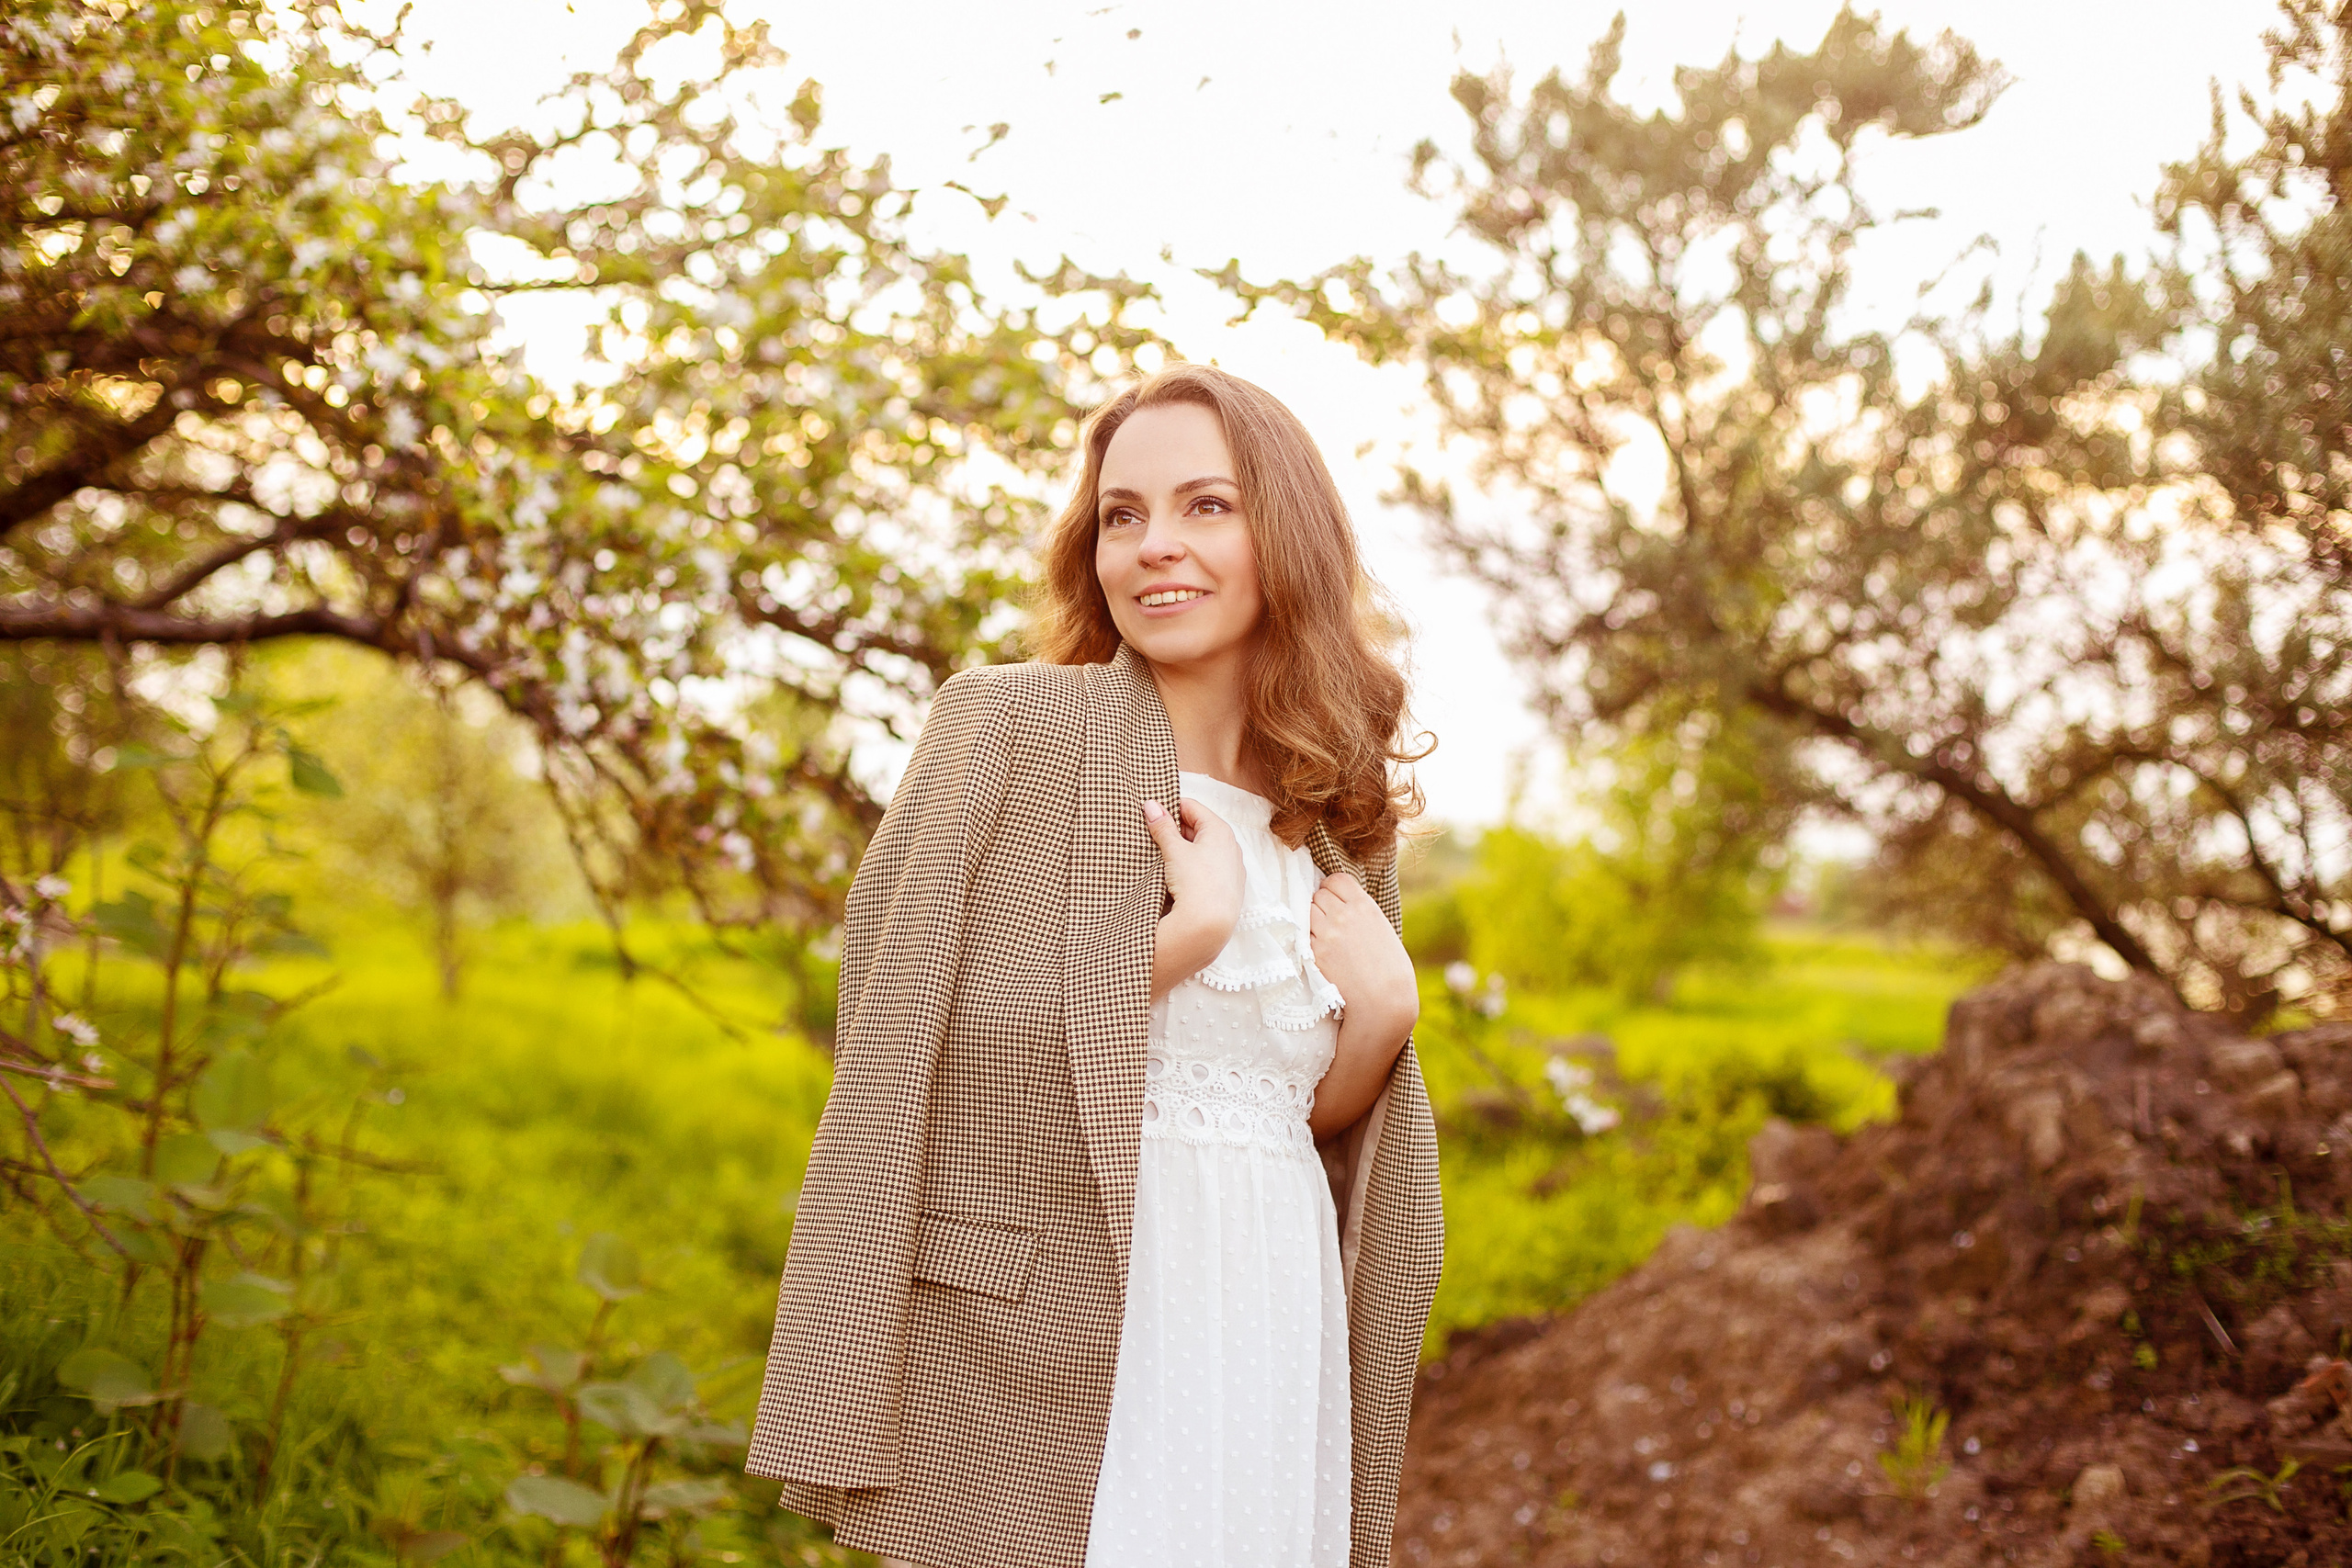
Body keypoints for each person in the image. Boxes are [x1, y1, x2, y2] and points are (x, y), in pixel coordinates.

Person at [747, 363, 1443, 1568]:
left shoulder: (1332, 821)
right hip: (1065, 1325)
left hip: (1272, 1314)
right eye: (1122, 515)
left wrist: (1380, 1018)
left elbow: (1287, 1118)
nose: (1153, 546)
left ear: (1289, 537)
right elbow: (897, 1032)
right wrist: (1177, 944)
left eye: (1204, 506)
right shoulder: (1011, 727)